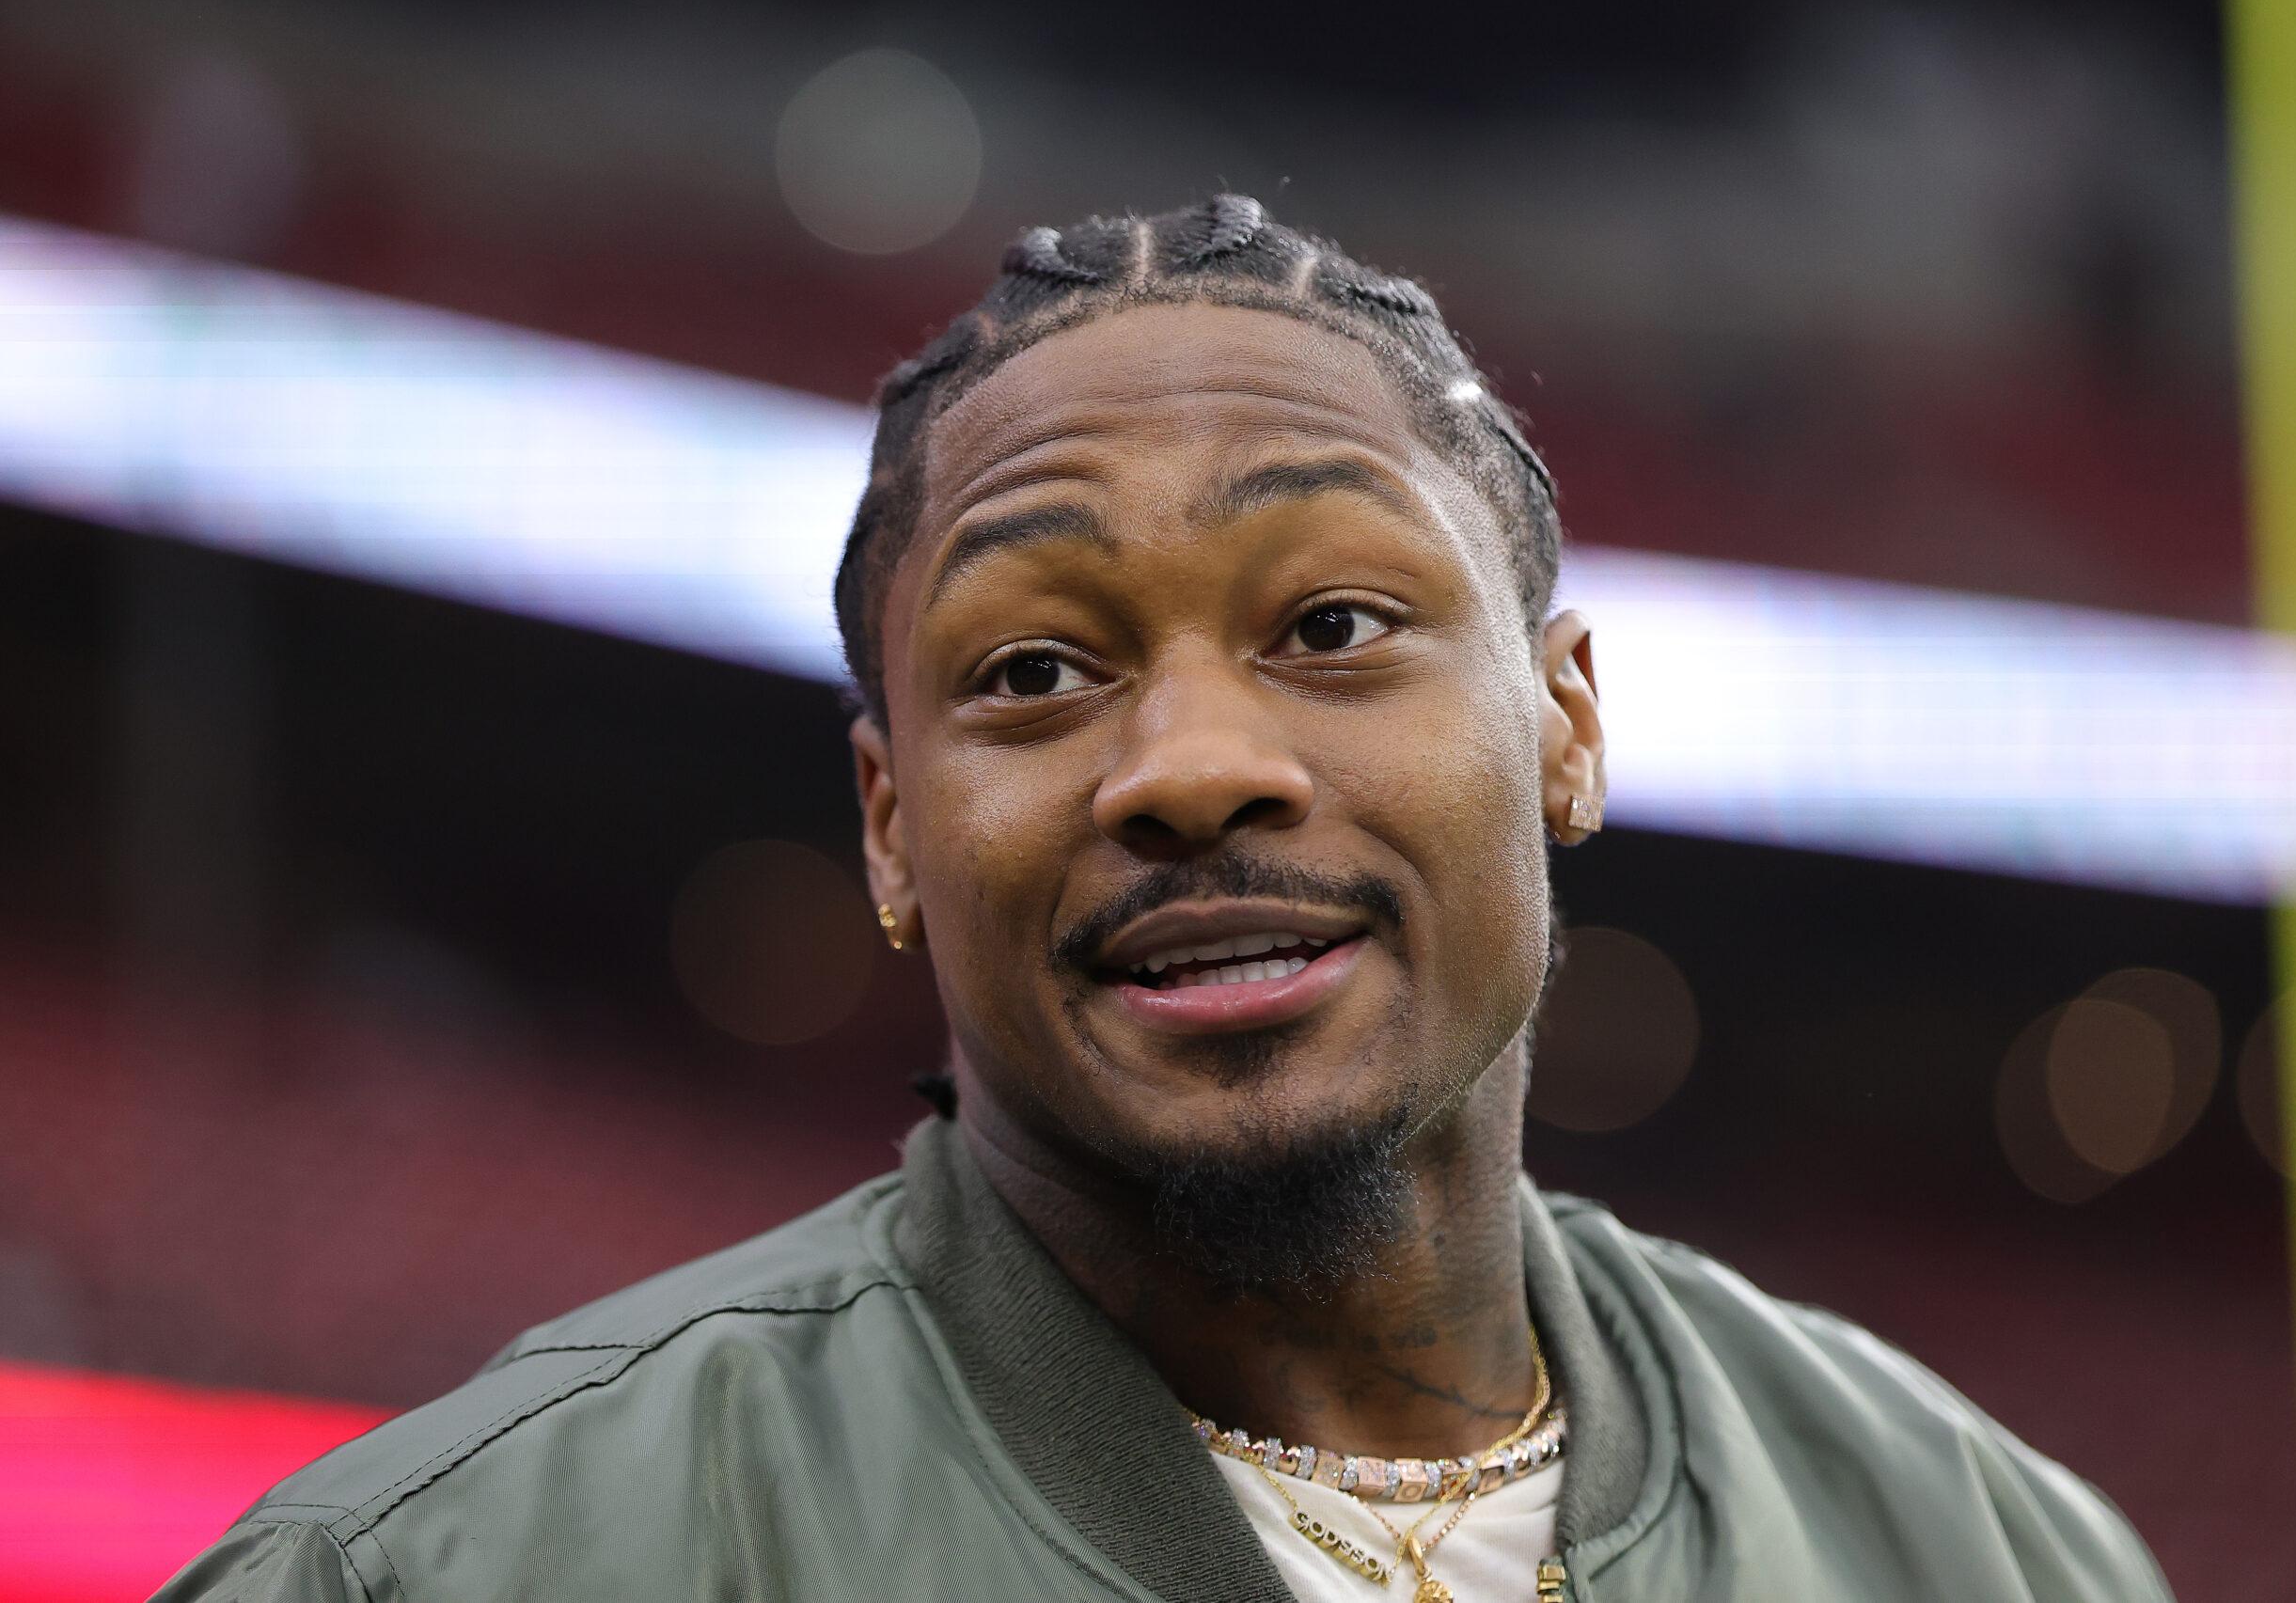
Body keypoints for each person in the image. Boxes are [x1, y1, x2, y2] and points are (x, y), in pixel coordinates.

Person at [156, 196, 2170, 1603]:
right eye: (1034, 669)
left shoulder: (1989, 1551)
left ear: (1564, 726)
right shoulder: (446, 1571)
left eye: (1333, 624)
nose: (1191, 764)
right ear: (887, 823)